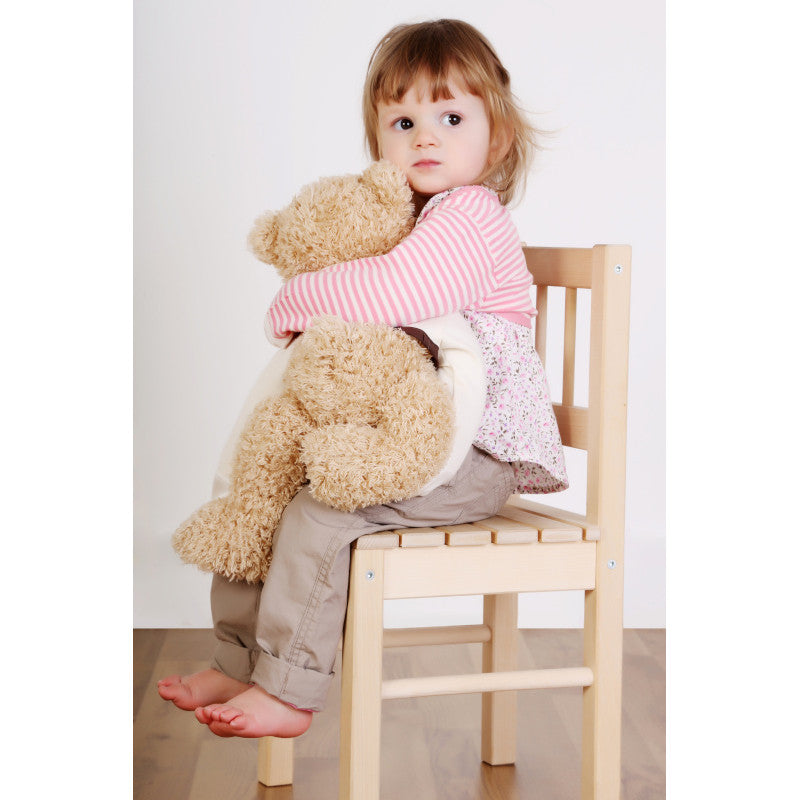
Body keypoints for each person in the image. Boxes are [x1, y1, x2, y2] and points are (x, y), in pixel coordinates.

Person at [158, 18, 567, 740]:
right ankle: (241, 657)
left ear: (495, 138)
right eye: (403, 120)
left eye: (450, 117)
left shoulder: (469, 215)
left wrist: (295, 300)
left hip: (477, 454)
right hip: (414, 439)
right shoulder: (408, 217)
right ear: (379, 138)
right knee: (272, 481)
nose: (426, 138)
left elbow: (396, 293)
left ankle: (288, 687)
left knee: (325, 511)